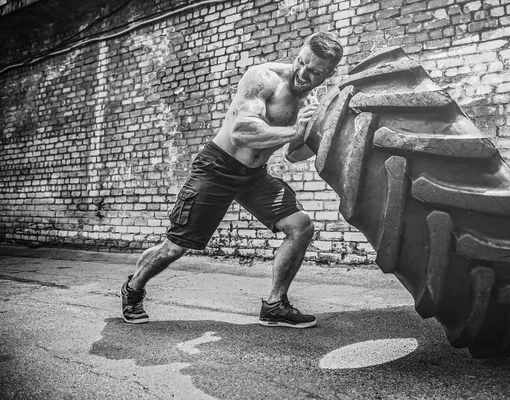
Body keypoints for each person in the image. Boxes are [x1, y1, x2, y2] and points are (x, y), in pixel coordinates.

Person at [120, 32, 343, 329]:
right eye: (300, 62)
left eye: (314, 71)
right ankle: (133, 287)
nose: (302, 73)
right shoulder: (262, 77)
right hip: (216, 168)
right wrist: (295, 131)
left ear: (328, 73)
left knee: (300, 227)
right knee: (176, 247)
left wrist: (320, 134)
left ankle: (275, 305)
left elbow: (292, 154)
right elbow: (241, 131)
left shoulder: (310, 100)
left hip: (253, 177)